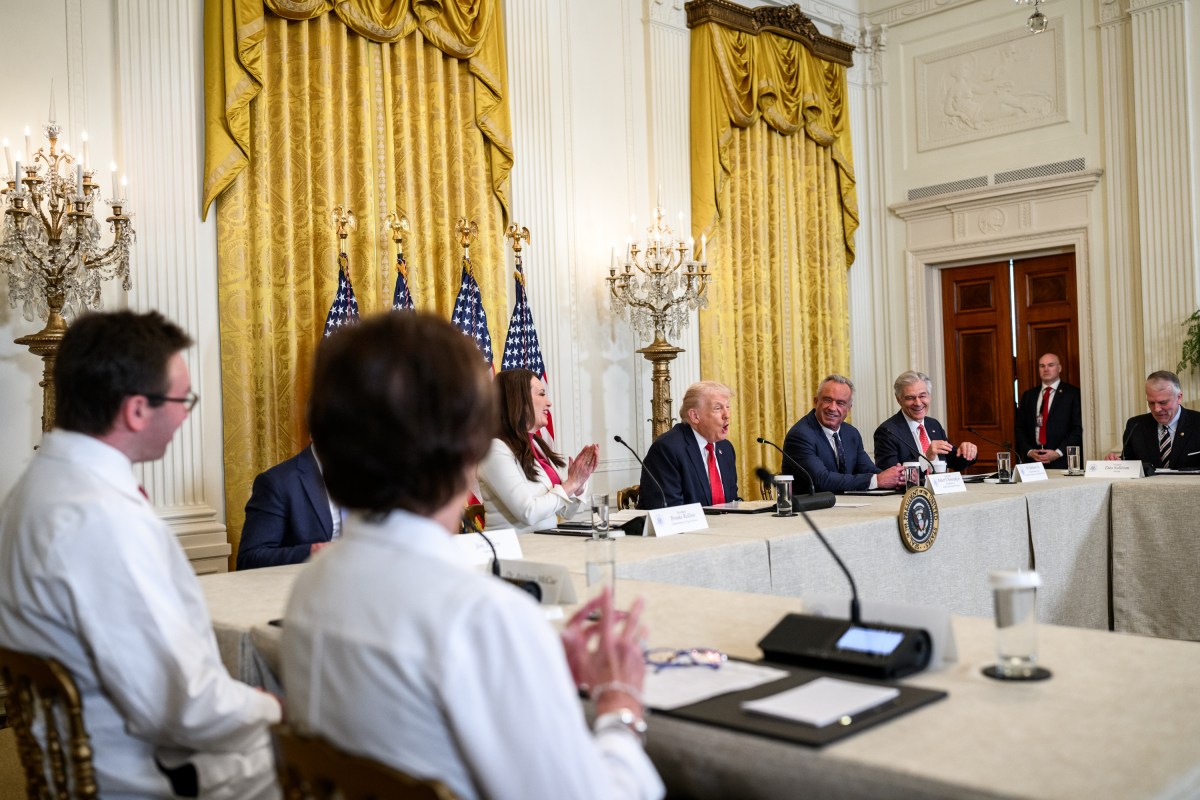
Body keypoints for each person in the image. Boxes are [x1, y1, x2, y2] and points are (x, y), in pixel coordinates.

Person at [281, 312, 663, 800]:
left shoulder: (312, 585)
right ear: (468, 453)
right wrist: (619, 704)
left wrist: (533, 669)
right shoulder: (484, 618)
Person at [0, 310, 280, 799]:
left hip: (74, 756)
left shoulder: (34, 487)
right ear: (135, 410)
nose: (183, 413)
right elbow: (182, 708)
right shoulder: (101, 519)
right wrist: (277, 706)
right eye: (182, 399)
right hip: (142, 776)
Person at [477, 368, 599, 533]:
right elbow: (528, 513)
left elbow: (565, 512)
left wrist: (578, 483)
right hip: (513, 551)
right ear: (519, 400)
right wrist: (571, 483)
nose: (548, 402)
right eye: (541, 394)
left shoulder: (537, 445)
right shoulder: (494, 450)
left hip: (544, 546)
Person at [782, 375, 904, 493]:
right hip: (810, 511)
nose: (832, 408)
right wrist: (877, 480)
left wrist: (897, 477)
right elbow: (821, 479)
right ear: (816, 401)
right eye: (827, 400)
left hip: (847, 506)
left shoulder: (851, 433)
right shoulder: (800, 435)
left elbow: (867, 469)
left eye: (840, 403)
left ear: (849, 408)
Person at [637, 380, 739, 509]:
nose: (727, 415)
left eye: (728, 407)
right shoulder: (667, 449)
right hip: (688, 528)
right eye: (717, 408)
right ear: (695, 416)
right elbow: (669, 509)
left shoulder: (725, 448)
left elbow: (732, 501)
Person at [237, 444, 340, 569]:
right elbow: (250, 558)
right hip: (306, 582)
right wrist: (313, 551)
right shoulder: (276, 482)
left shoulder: (366, 473)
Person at [874, 370, 978, 472]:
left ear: (929, 396)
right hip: (913, 489)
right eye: (910, 398)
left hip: (940, 487)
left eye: (922, 396)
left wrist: (968, 453)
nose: (918, 403)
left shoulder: (933, 424)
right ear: (899, 400)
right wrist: (926, 457)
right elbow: (890, 476)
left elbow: (954, 461)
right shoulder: (887, 432)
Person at [1108, 370, 1200, 469]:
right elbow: (1129, 464)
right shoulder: (1135, 426)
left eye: (1163, 402)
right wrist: (1116, 464)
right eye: (1151, 403)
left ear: (1179, 397)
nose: (1156, 409)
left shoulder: (1197, 422)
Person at [1015, 353, 1083, 469]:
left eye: (1050, 365)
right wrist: (1029, 451)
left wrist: (1058, 452)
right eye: (1042, 366)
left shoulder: (1073, 394)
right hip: (1033, 463)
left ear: (1059, 368)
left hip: (1062, 462)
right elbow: (1020, 428)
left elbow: (1077, 428)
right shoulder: (1029, 396)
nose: (1046, 369)